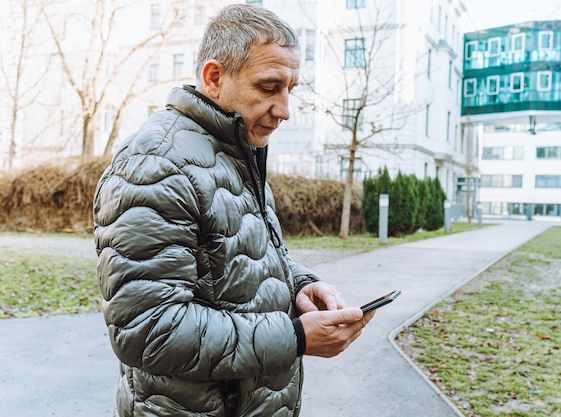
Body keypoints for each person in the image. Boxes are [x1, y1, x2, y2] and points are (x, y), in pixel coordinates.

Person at [93, 4, 374, 417]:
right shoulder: (154, 164)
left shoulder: (238, 152)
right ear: (214, 78)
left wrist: (300, 287)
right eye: (268, 87)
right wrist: (295, 338)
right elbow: (148, 331)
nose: (284, 109)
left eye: (289, 89)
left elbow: (238, 262)